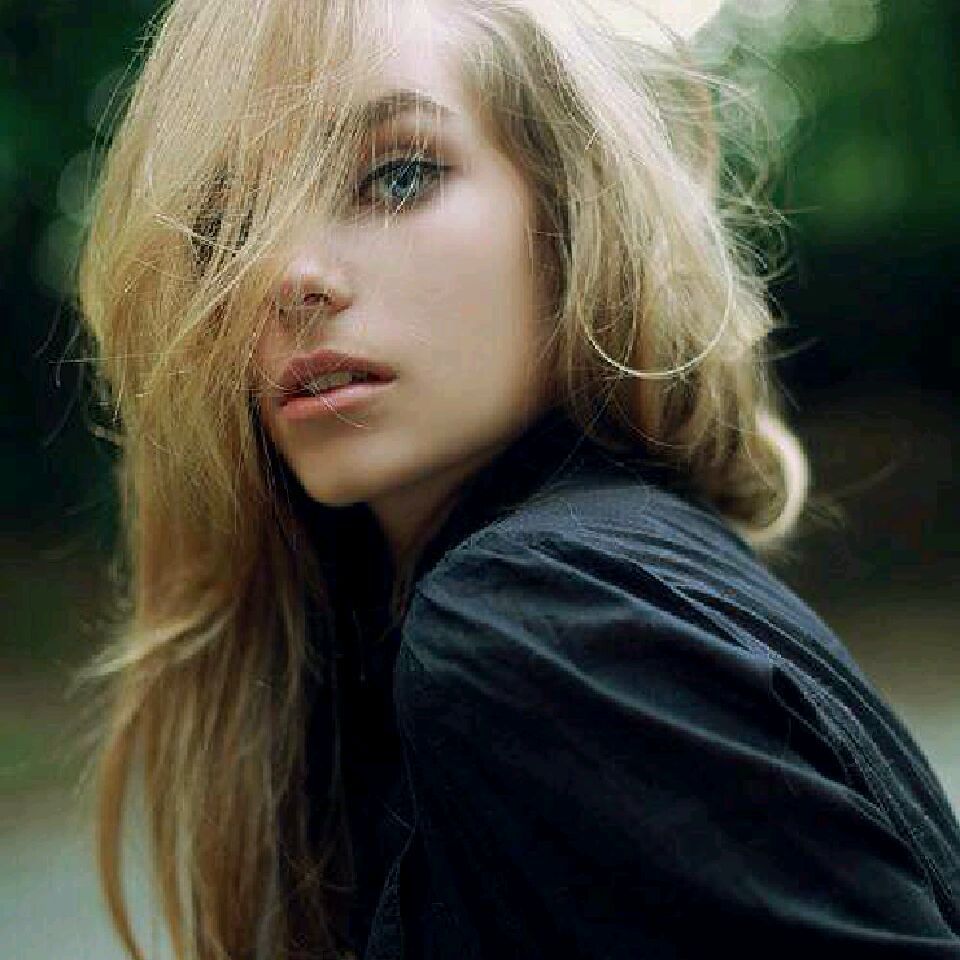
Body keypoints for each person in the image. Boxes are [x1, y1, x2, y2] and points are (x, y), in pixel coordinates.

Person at [73, 0, 960, 958]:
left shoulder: (532, 614)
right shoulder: (580, 578)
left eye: (398, 174)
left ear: (570, 214)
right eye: (227, 227)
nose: (285, 274)